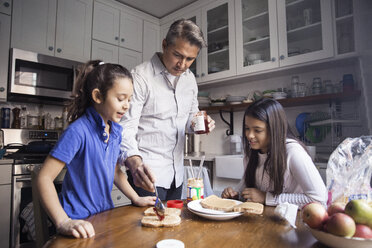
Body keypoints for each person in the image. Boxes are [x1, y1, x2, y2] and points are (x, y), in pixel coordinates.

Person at [36, 60, 156, 239]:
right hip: (77, 221)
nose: (127, 105)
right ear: (98, 96)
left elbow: (114, 171)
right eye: (121, 98)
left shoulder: (116, 132)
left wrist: (135, 198)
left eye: (129, 100)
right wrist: (63, 222)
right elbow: (44, 177)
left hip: (104, 217)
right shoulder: (78, 131)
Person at [120, 19, 215, 201]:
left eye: (190, 59)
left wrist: (199, 124)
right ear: (165, 45)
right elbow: (125, 128)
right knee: (147, 228)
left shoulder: (189, 79)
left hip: (177, 176)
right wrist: (134, 162)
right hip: (147, 173)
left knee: (173, 227)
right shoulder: (140, 77)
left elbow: (190, 119)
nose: (183, 64)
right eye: (177, 55)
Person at [221, 98, 327, 207]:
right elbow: (247, 185)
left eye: (257, 130)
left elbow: (319, 199)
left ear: (274, 129)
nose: (249, 135)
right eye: (247, 128)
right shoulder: (252, 152)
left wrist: (266, 197)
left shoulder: (293, 152)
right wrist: (235, 193)